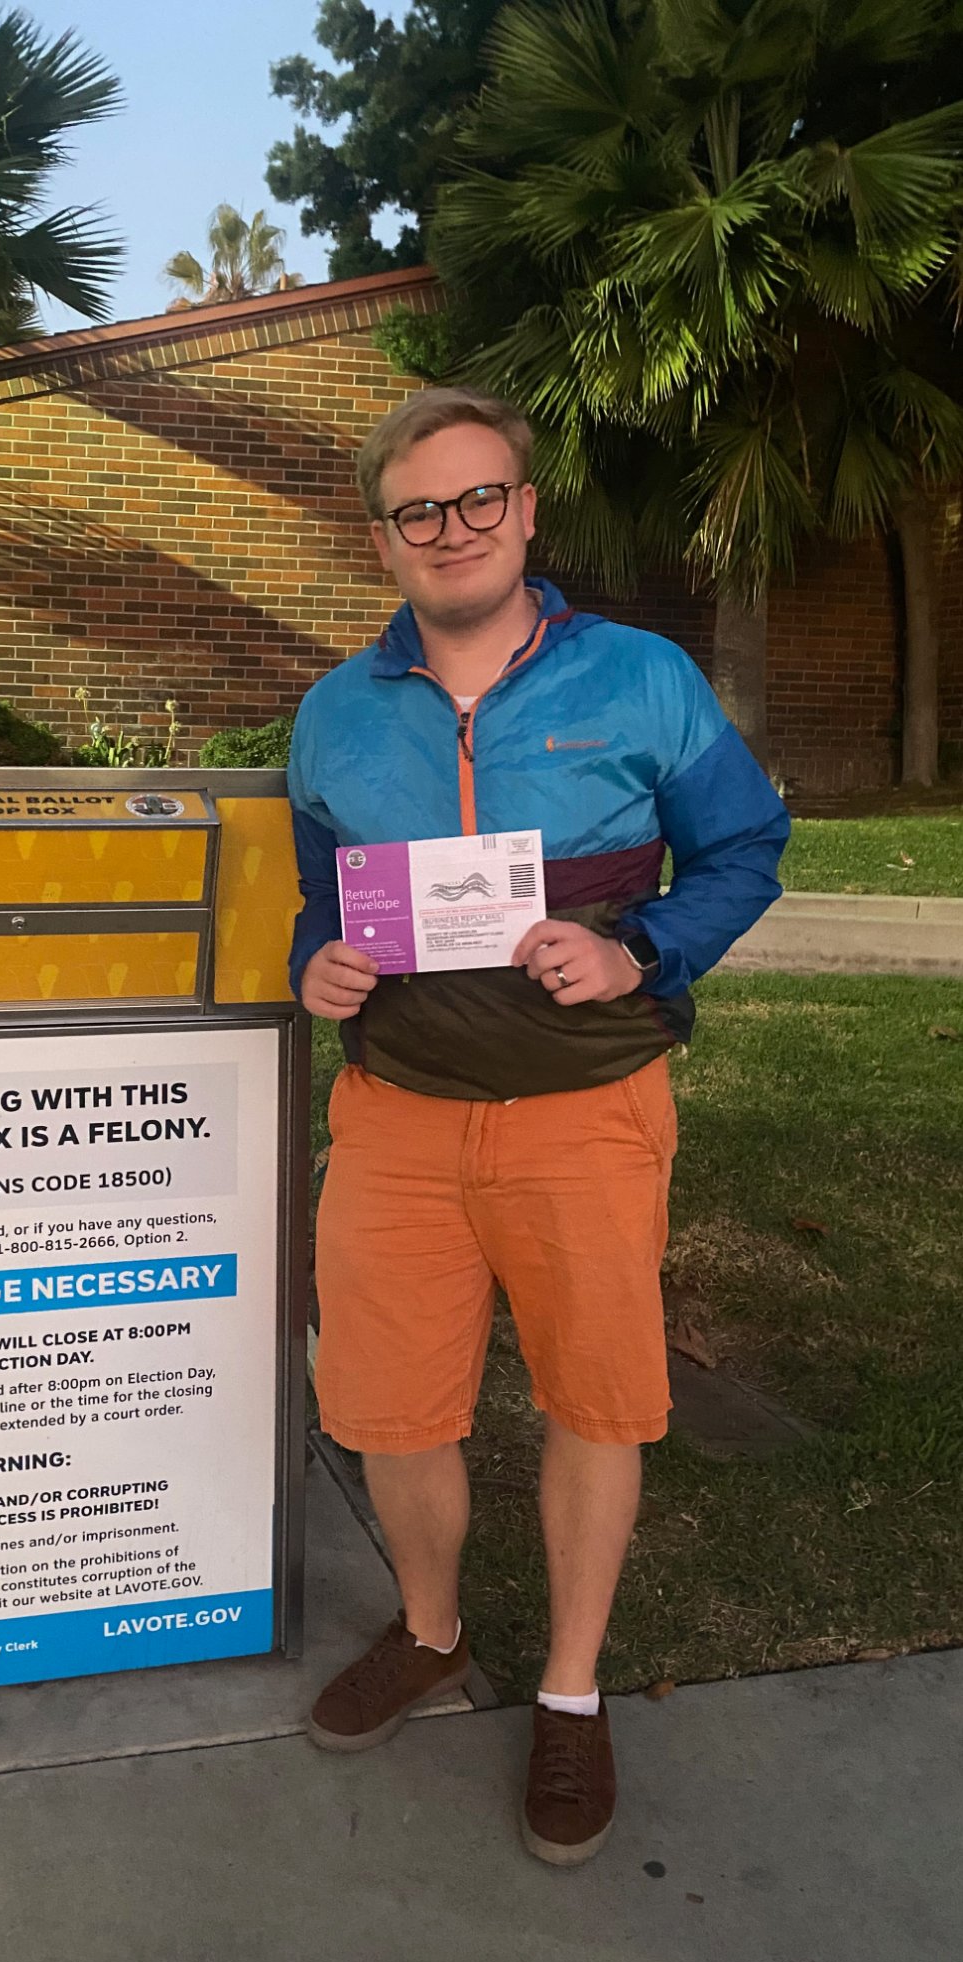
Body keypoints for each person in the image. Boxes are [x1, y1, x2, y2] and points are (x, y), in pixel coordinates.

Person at [289, 386, 789, 1866]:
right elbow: (323, 899)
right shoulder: (331, 712)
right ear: (384, 538)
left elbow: (746, 845)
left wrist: (643, 949)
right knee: (392, 1406)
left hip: (587, 1113)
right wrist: (316, 958)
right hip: (395, 1118)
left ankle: (569, 1692)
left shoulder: (639, 680)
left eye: (479, 499)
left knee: (594, 1399)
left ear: (526, 510)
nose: (453, 530)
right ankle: (432, 1629)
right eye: (419, 511)